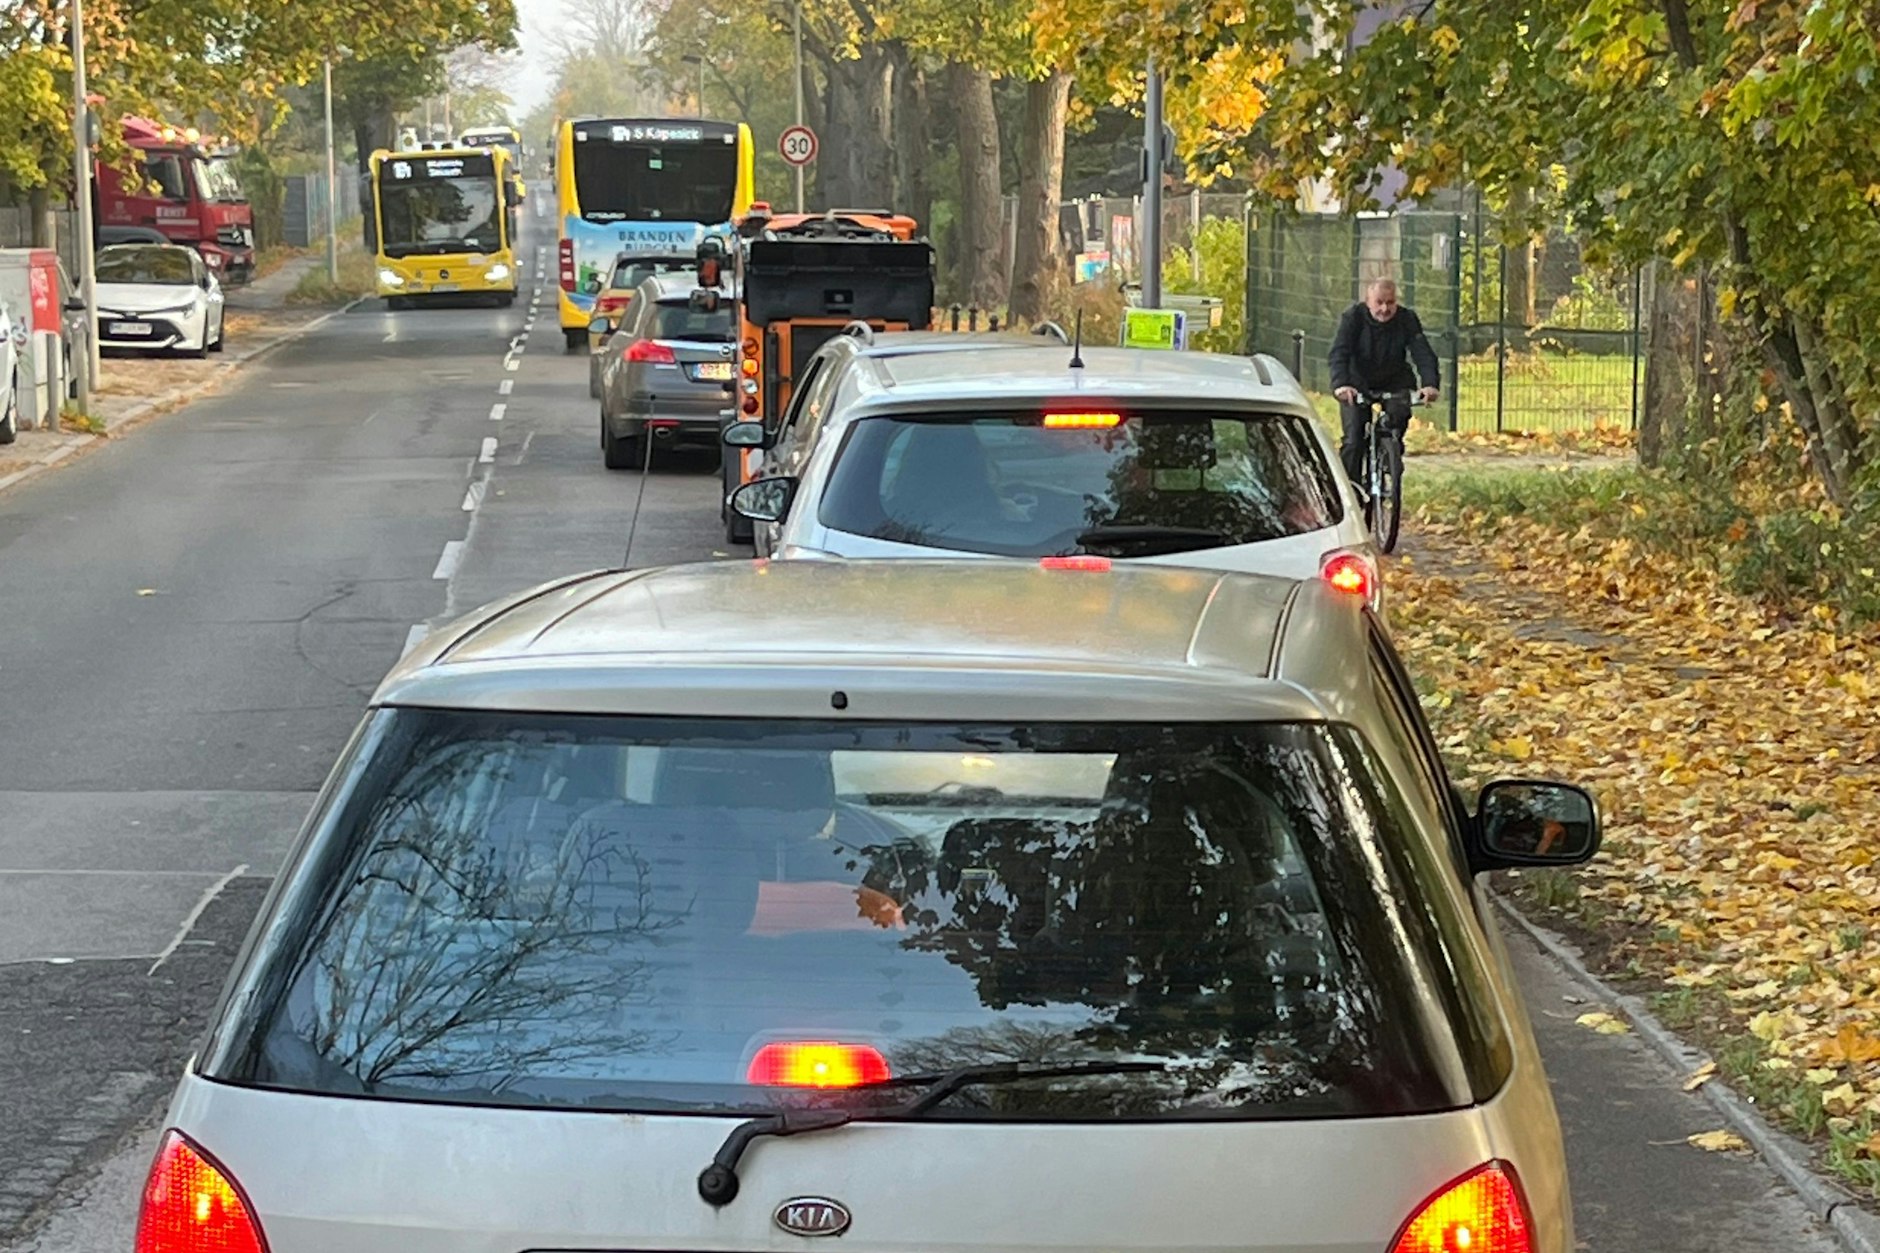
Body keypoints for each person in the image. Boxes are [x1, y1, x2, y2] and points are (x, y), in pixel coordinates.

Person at [1328, 278, 1441, 484]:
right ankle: (1350, 489)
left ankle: (1390, 454)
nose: (1384, 309)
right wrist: (1341, 384)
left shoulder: (1406, 319)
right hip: (1357, 382)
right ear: (1368, 301)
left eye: (1390, 303)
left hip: (1395, 380)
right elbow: (1339, 353)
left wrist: (1430, 384)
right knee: (1353, 440)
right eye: (1379, 302)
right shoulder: (1353, 318)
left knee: (1397, 420)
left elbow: (1422, 352)